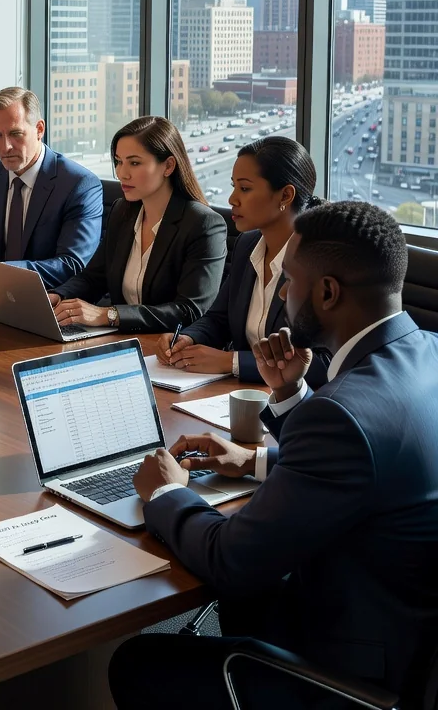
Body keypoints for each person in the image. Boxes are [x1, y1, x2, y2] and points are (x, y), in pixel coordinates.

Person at [113, 202, 438, 709]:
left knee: (138, 663)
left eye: (288, 280)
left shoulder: (343, 417)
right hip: (402, 614)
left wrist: (167, 491)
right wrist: (276, 425)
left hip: (358, 667)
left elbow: (229, 559)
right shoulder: (427, 353)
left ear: (328, 292)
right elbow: (371, 467)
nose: (282, 294)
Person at [154, 136, 330, 386]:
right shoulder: (247, 244)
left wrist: (232, 362)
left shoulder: (320, 261)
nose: (232, 199)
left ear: (285, 195)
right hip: (239, 395)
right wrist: (187, 339)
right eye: (234, 186)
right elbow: (219, 319)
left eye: (245, 188)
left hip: (297, 405)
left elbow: (325, 364)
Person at [49, 116, 226, 333]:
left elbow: (188, 310)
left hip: (169, 349)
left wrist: (109, 315)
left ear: (168, 166)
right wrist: (58, 296)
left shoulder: (203, 224)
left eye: (134, 163)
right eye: (118, 161)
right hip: (120, 341)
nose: (122, 173)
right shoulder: (122, 211)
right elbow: (95, 276)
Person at [0, 87, 103, 290]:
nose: (5, 146)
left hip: (49, 303)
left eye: (15, 134)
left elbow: (70, 264)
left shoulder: (78, 184)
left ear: (40, 129)